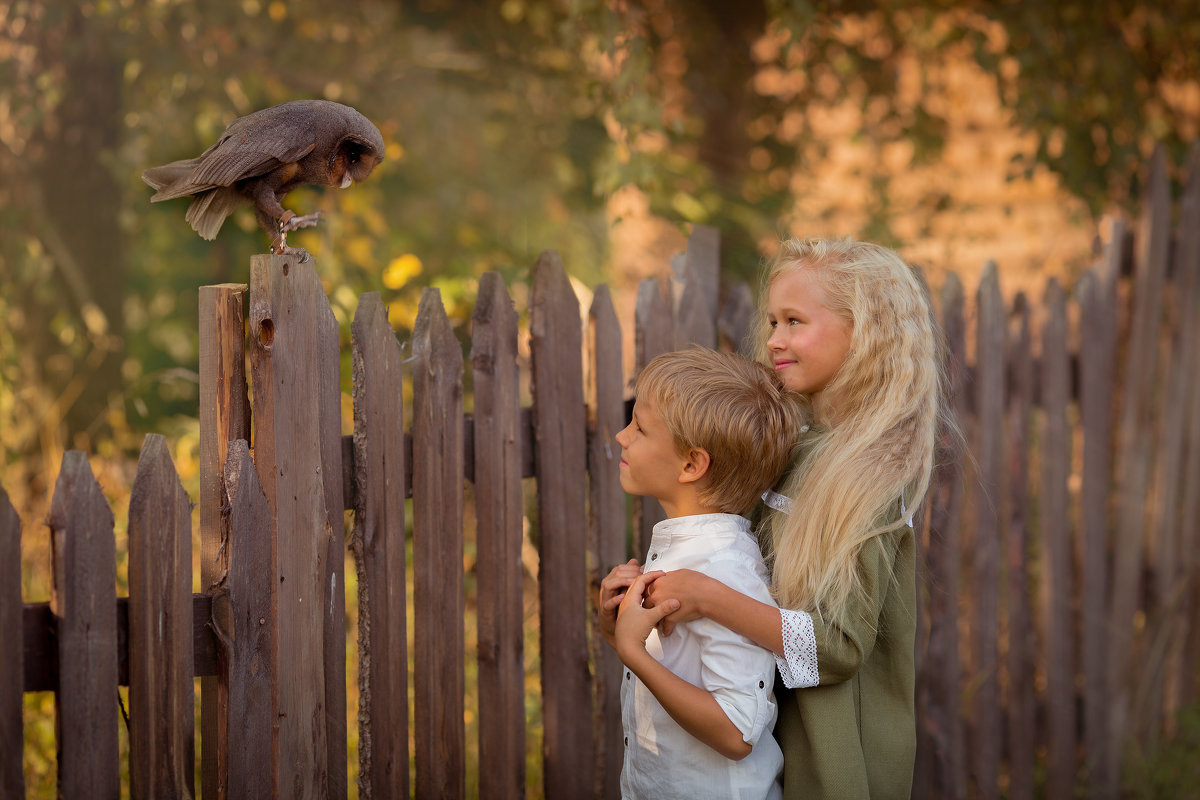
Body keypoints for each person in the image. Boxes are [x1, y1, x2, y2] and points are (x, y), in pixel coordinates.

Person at [634, 237, 946, 800]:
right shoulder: (798, 448)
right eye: (773, 320)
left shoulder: (870, 475)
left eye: (795, 321)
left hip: (832, 756)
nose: (774, 340)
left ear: (866, 334)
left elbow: (836, 648)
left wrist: (704, 595)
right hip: (762, 733)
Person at [598, 346, 805, 800]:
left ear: (692, 464)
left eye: (639, 427)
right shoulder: (686, 550)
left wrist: (635, 652)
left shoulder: (725, 570)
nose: (620, 436)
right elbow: (681, 669)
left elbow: (736, 733)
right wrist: (617, 630)